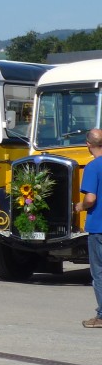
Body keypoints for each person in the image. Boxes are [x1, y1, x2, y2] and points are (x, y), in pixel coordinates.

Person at [74, 128, 102, 329]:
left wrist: (80, 206)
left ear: (88, 145)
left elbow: (91, 198)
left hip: (98, 227)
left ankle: (101, 315)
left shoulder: (93, 167)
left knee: (99, 273)